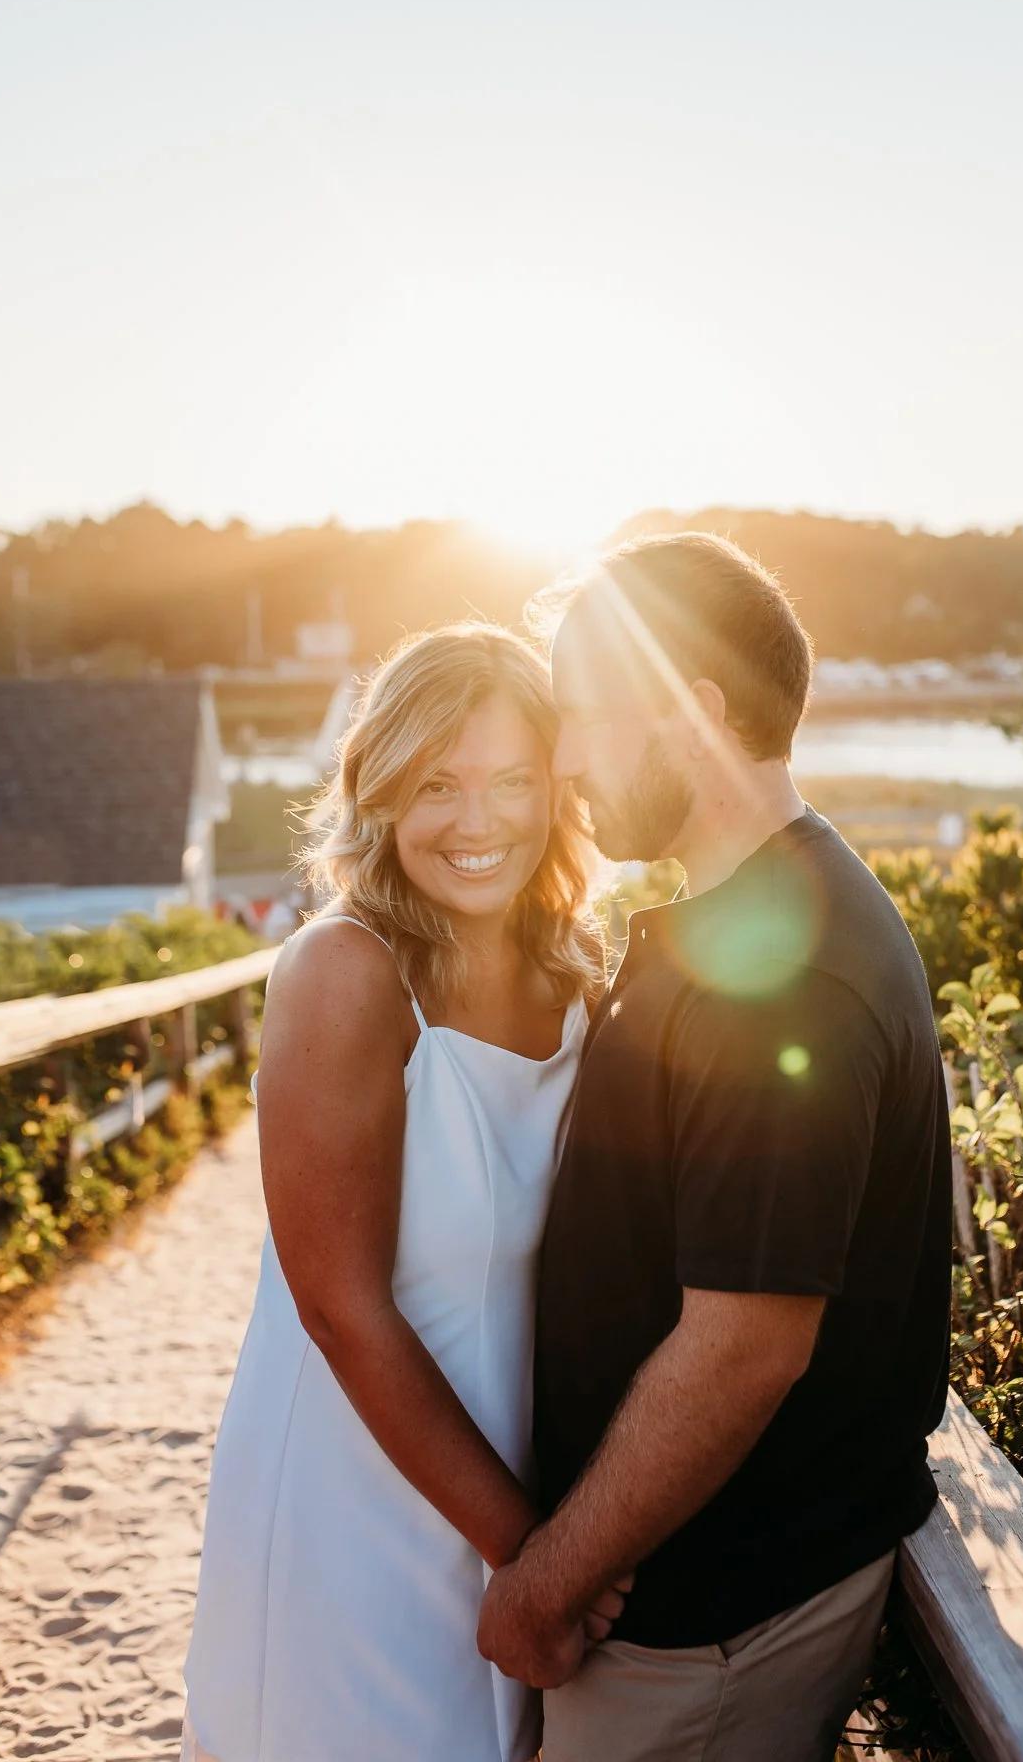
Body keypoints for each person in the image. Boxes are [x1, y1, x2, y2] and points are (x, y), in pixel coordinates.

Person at [477, 534, 952, 1762]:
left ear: (692, 710)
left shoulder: (785, 976)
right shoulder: (744, 916)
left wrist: (545, 1578)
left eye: (581, 716)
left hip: (710, 1623)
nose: (564, 756)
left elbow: (744, 1345)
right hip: (671, 1591)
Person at [182, 624, 619, 1762]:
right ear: (377, 790)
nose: (480, 823)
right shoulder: (345, 970)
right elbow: (340, 1304)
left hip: (512, 1473)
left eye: (514, 779)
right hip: (357, 1494)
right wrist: (532, 1553)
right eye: (438, 782)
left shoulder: (578, 977)